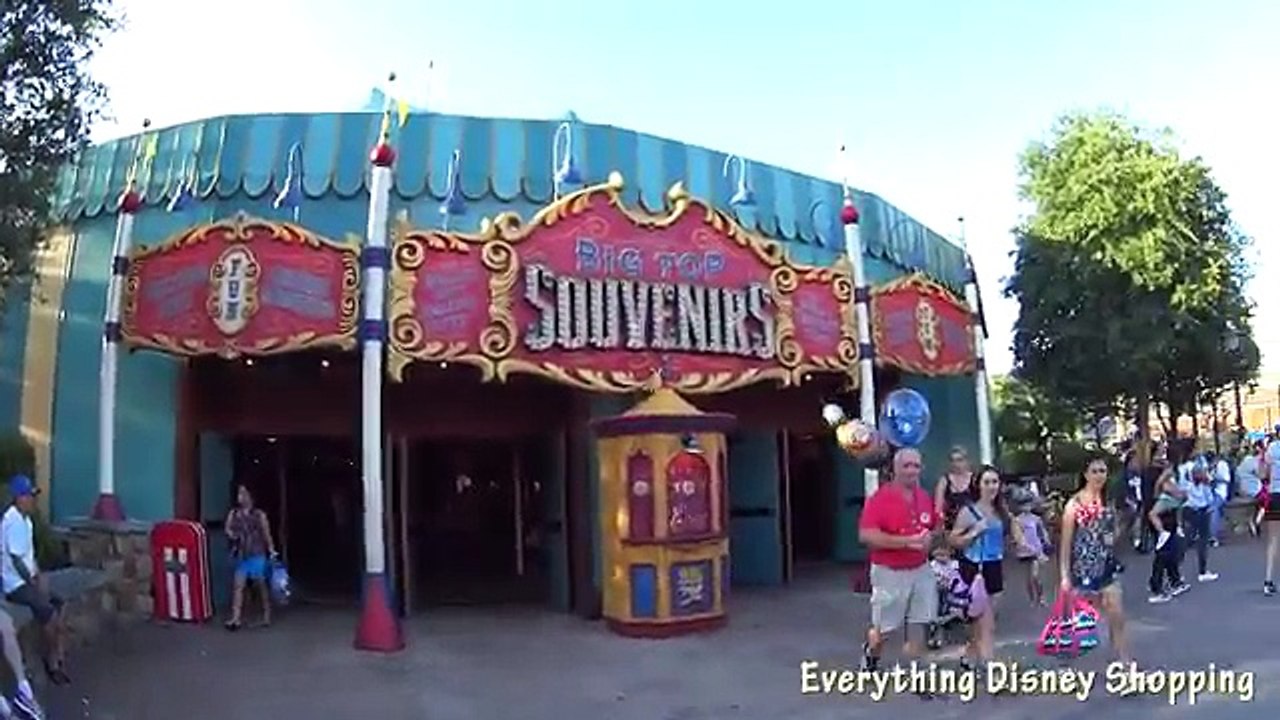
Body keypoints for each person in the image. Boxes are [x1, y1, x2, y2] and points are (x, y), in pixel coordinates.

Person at [858, 448, 938, 682]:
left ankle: (917, 671)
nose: (912, 471)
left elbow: (933, 528)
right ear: (895, 469)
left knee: (920, 622)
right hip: (889, 573)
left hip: (921, 569)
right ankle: (871, 655)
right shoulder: (880, 499)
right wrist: (905, 542)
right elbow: (866, 536)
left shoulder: (924, 497)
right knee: (884, 629)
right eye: (906, 466)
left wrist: (931, 539)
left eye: (916, 466)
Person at [1059, 456, 1132, 663]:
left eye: (1102, 471)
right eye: (1095, 471)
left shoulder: (1107, 501)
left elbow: (1113, 531)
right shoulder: (1074, 504)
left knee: (1117, 615)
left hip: (1106, 564)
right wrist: (1065, 575)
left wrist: (1116, 532)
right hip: (1083, 568)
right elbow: (1065, 543)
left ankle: (1123, 661)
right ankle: (1069, 662)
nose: (1099, 475)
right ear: (1085, 475)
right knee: (1082, 623)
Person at [1, 476, 69, 686]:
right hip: (15, 584)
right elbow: (16, 560)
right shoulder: (12, 521)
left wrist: (39, 575)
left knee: (59, 602)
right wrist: (33, 582)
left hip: (27, 580)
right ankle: (52, 663)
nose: (32, 500)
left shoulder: (27, 521)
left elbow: (29, 557)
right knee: (48, 613)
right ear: (19, 498)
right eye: (29, 496)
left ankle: (58, 653)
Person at [948, 466, 1008, 665]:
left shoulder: (1000, 510)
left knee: (982, 621)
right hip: (975, 568)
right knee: (986, 623)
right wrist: (974, 532)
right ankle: (989, 666)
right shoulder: (969, 511)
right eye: (987, 482)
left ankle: (969, 656)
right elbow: (953, 540)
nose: (992, 487)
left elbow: (1011, 533)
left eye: (995, 482)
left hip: (995, 566)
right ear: (978, 485)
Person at [224, 484, 277, 630]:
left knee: (261, 586)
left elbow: (266, 534)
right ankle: (236, 618)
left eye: (244, 493)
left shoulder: (259, 515)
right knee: (238, 586)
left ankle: (266, 614)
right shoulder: (234, 513)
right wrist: (231, 534)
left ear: (251, 496)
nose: (241, 497)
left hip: (257, 554)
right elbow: (228, 528)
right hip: (242, 554)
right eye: (239, 493)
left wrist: (272, 551)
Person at [1147, 464, 1190, 603]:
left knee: (1172, 554)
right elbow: (1165, 492)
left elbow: (1180, 496)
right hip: (1164, 523)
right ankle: (1156, 588)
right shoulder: (1162, 484)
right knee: (1162, 556)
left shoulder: (1170, 481)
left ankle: (1174, 581)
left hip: (1170, 521)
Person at [1180, 456, 1218, 582]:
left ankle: (1201, 570)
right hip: (1194, 511)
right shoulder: (1189, 485)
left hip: (1199, 510)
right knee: (1193, 540)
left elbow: (1209, 498)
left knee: (1196, 541)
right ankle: (1179, 570)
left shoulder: (1202, 485)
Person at [1011, 497, 1049, 606]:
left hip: (1036, 549)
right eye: (1023, 505)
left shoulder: (1036, 519)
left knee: (1035, 576)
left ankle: (1041, 597)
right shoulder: (1017, 520)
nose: (1026, 507)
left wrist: (1046, 541)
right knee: (1028, 579)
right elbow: (1016, 536)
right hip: (1024, 551)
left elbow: (1042, 531)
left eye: (1028, 504)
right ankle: (1032, 599)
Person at [933, 447, 973, 533]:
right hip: (951, 527)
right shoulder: (944, 481)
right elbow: (938, 507)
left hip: (973, 525)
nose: (956, 464)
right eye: (953, 461)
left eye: (959, 460)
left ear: (966, 461)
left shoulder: (974, 479)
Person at [1263, 434, 1280, 595]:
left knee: (1273, 539)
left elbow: (1263, 473)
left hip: (1275, 495)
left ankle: (1268, 580)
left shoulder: (1272, 448)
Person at [1237, 441, 1264, 536]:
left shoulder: (1244, 462)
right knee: (1266, 502)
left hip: (1243, 489)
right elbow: (1261, 475)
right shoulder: (1254, 462)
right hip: (1255, 490)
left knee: (1255, 506)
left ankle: (1253, 522)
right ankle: (1257, 521)